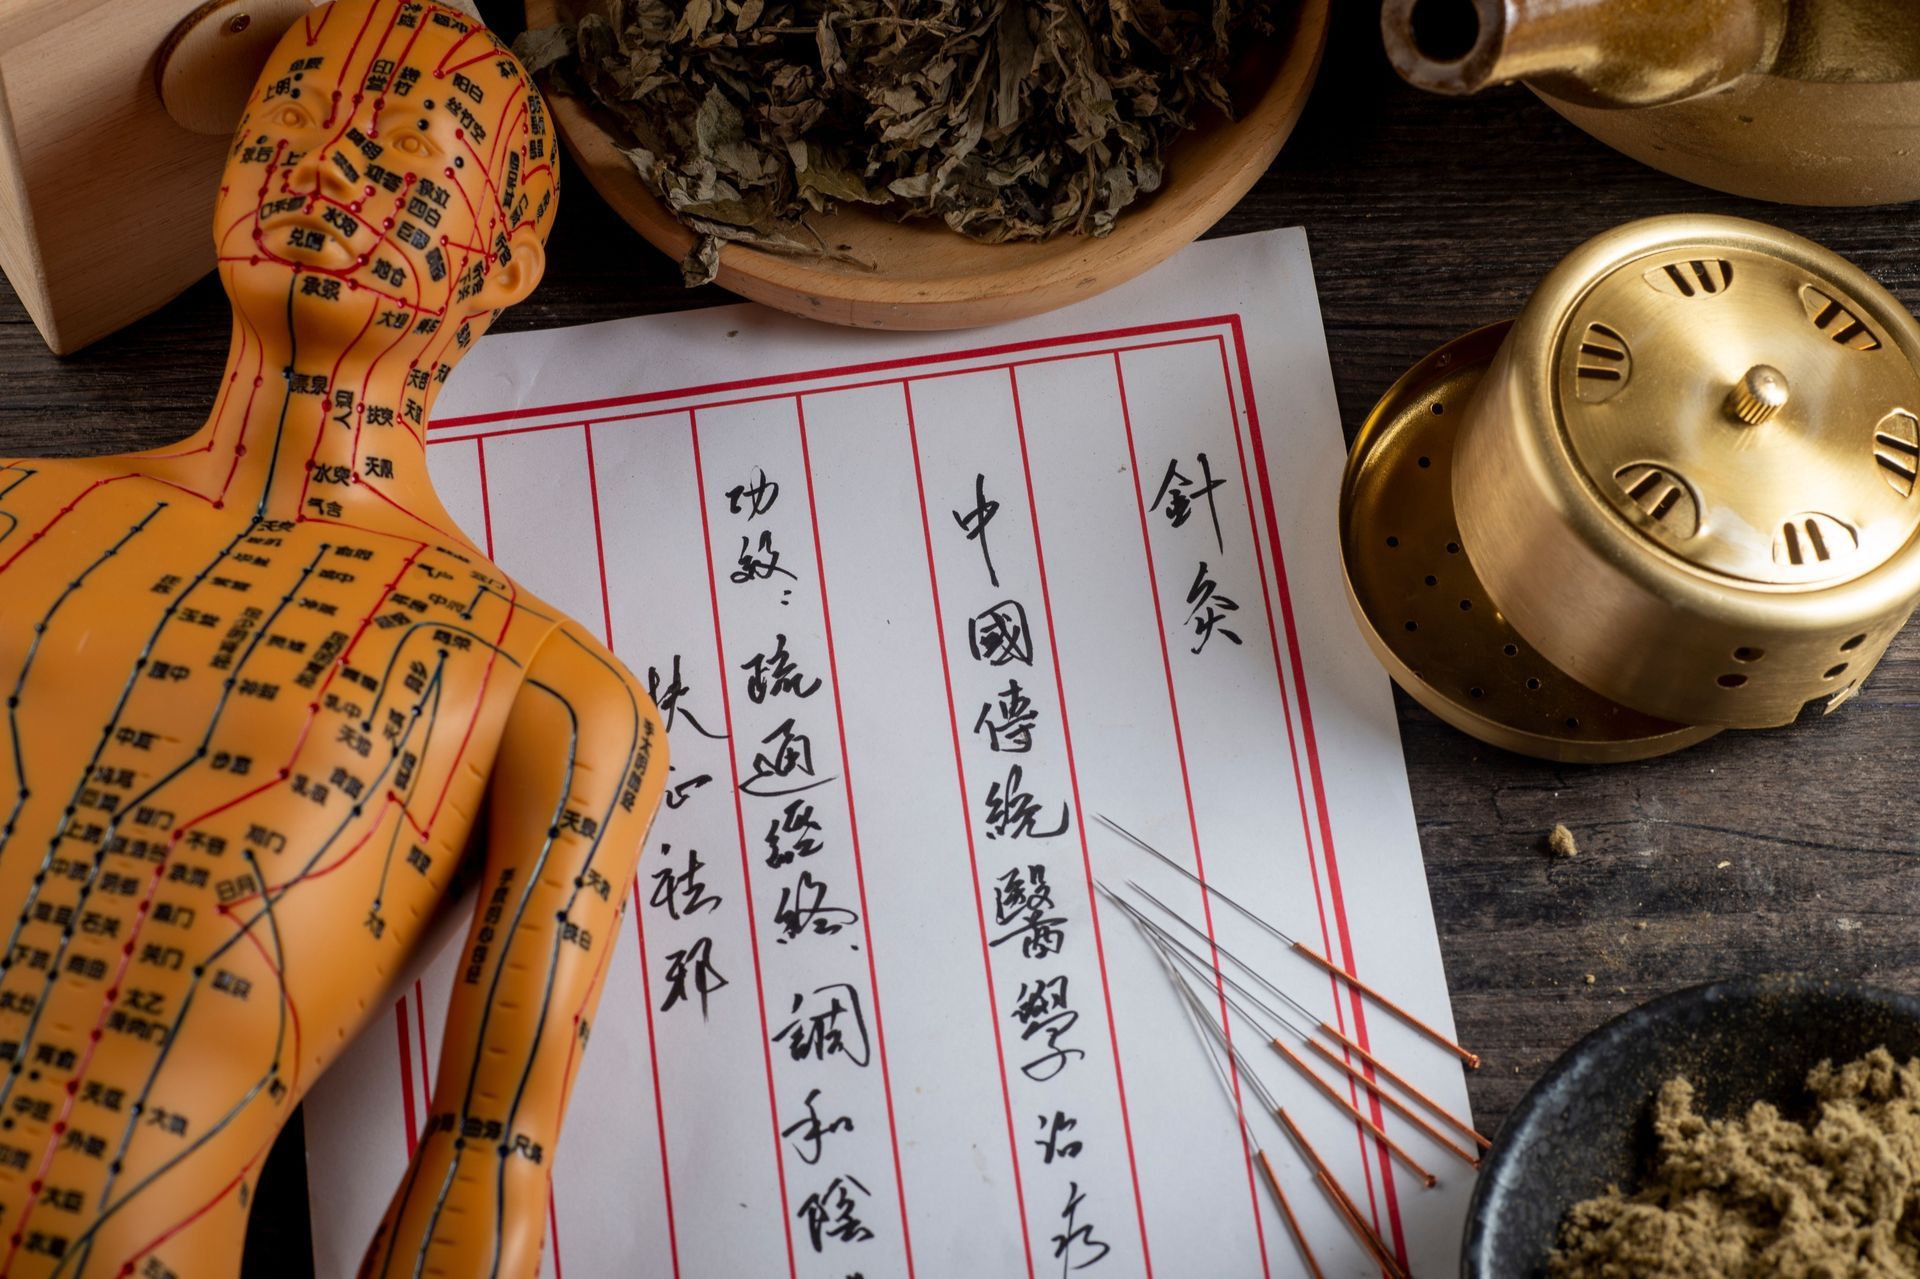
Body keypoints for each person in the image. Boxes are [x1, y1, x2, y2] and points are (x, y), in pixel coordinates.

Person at [0, 2, 663, 1274]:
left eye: (408, 145)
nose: (330, 162)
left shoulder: (553, 695)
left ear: (510, 255)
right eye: (287, 121)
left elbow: (489, 1144)